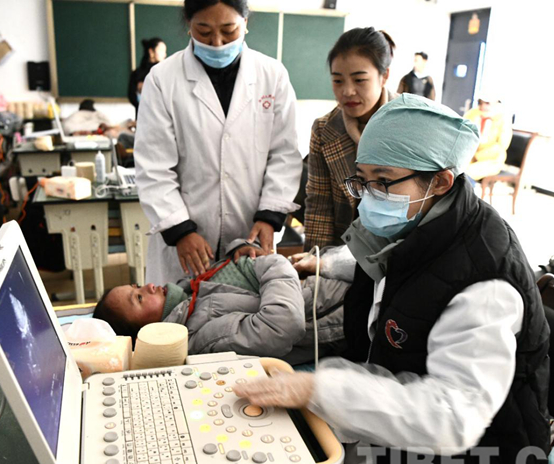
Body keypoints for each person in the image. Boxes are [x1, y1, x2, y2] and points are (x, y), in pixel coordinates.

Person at [235, 94, 551, 464]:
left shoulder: (485, 283)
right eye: (362, 180)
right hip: (402, 437)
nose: (369, 196)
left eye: (383, 181)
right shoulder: (419, 218)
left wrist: (319, 390)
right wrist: (326, 264)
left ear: (440, 181)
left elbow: (453, 419)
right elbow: (395, 265)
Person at [134, 0, 302, 284]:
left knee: (249, 308)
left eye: (228, 30)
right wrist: (180, 230)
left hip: (250, 235)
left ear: (245, 23)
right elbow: (153, 166)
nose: (217, 42)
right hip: (185, 244)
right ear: (189, 26)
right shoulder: (162, 79)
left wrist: (269, 216)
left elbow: (284, 154)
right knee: (182, 308)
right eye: (204, 31)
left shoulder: (272, 76)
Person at [92, 243, 349, 365]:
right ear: (146, 334)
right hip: (346, 309)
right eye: (138, 298)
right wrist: (276, 264)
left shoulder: (190, 293)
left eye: (137, 286)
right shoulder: (201, 337)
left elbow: (241, 273)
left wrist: (241, 248)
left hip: (332, 282)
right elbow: (282, 324)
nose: (149, 286)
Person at [304, 27, 397, 250]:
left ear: (384, 76)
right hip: (342, 248)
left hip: (400, 250)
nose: (347, 91)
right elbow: (319, 206)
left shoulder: (410, 122)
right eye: (338, 81)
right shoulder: (324, 130)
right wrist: (316, 261)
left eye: (359, 80)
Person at [463, 94, 513, 181]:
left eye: (487, 103)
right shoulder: (472, 113)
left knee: (466, 174)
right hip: (469, 156)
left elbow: (502, 145)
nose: (483, 106)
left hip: (491, 160)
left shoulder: (503, 118)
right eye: (480, 103)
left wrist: (478, 155)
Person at [128, 37, 167, 113]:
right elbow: (132, 97)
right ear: (151, 52)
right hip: (143, 114)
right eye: (161, 50)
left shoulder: (165, 71)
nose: (165, 54)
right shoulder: (137, 73)